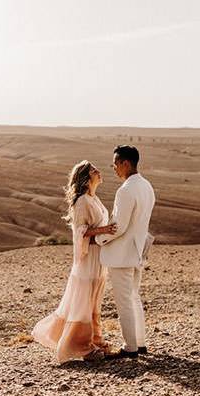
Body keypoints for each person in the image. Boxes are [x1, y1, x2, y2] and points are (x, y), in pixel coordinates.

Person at [32, 160, 117, 363]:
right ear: (87, 178)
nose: (99, 172)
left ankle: (96, 341)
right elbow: (79, 231)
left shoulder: (93, 198)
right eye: (94, 171)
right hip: (87, 258)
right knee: (83, 303)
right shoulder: (81, 202)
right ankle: (80, 347)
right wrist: (104, 230)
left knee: (94, 300)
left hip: (99, 257)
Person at [93, 145, 156, 359]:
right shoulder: (147, 186)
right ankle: (140, 343)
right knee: (134, 298)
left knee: (124, 301)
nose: (114, 168)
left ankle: (130, 348)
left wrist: (99, 238)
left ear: (125, 163)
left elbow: (118, 226)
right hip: (138, 251)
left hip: (122, 255)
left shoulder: (126, 190)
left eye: (115, 164)